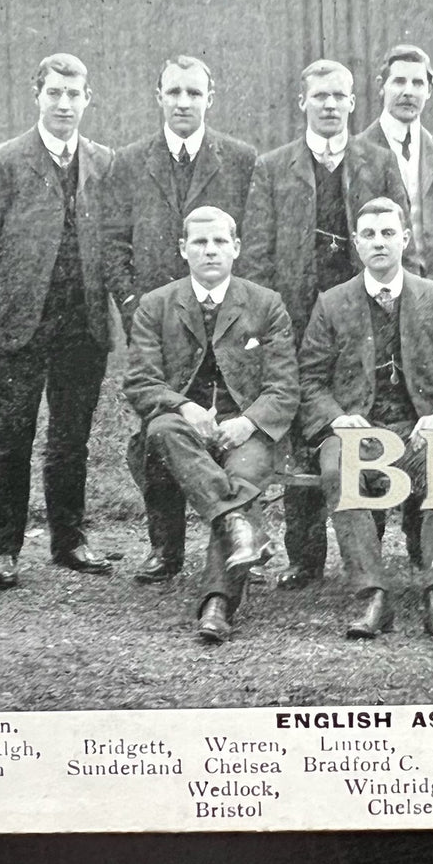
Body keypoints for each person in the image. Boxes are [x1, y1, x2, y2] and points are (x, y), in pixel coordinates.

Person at [240, 59, 409, 591]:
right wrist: (265, 323)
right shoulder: (273, 167)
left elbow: (401, 234)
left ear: (354, 103)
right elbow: (259, 252)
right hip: (293, 319)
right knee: (302, 429)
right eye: (320, 97)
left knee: (363, 416)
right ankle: (305, 558)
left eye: (339, 96)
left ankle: (369, 550)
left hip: (360, 317)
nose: (330, 105)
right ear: (303, 103)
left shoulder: (378, 162)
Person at [104, 55, 258, 585]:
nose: (184, 102)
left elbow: (251, 243)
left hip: (228, 324)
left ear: (210, 98)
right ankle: (165, 549)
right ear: (159, 96)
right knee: (155, 436)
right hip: (160, 326)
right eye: (174, 92)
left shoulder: (239, 159)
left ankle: (237, 537)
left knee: (225, 433)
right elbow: (112, 244)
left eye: (194, 92)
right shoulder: (128, 161)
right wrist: (133, 307)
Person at [298, 197, 433, 642]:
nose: (379, 242)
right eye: (370, 235)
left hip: (418, 430)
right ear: (356, 244)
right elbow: (310, 381)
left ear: (405, 238)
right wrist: (337, 420)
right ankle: (372, 593)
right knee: (339, 468)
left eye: (388, 233)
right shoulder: (332, 303)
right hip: (358, 429)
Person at [124, 206, 299, 643]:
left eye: (220, 241)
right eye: (200, 242)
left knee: (239, 475)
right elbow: (141, 381)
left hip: (248, 432)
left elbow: (284, 388)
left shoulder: (266, 303)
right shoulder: (156, 304)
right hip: (184, 431)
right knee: (162, 429)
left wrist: (247, 422)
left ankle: (217, 604)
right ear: (183, 249)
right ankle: (237, 525)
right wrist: (183, 406)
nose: (210, 251)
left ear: (236, 248)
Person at [0, 54, 115, 589]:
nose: (64, 104)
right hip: (22, 326)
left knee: (71, 438)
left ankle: (69, 541)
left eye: (73, 94)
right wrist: (0, 307)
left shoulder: (105, 162)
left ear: (88, 98)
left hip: (83, 326)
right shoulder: (4, 161)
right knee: (12, 435)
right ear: (36, 94)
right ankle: (2, 550)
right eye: (54, 93)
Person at [359, 44, 433, 288]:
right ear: (380, 86)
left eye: (418, 83)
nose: (408, 92)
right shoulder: (356, 154)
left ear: (430, 90)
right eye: (399, 81)